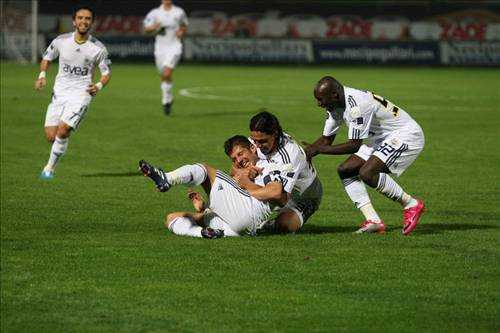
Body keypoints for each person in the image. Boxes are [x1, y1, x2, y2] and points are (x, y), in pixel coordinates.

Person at [302, 76, 425, 235]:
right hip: (381, 139)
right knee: (346, 170)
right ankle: (373, 221)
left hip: (405, 135)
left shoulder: (356, 106)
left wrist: (318, 150)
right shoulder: (335, 105)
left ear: (334, 95)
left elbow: (353, 145)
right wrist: (305, 153)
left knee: (367, 172)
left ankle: (411, 204)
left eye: (320, 99)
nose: (318, 103)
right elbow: (326, 139)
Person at [138, 136, 291, 238]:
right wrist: (204, 207)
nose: (239, 160)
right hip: (237, 226)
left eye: (241, 153)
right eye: (234, 158)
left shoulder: (268, 166)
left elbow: (278, 194)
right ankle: (202, 233)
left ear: (252, 148)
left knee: (206, 170)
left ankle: (168, 178)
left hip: (250, 212)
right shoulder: (242, 170)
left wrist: (246, 183)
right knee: (172, 218)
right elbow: (234, 191)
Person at [35, 5, 111, 179]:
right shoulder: (61, 41)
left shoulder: (98, 48)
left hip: (81, 94)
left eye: (87, 19)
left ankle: (49, 169)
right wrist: (42, 75)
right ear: (74, 21)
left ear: (92, 22)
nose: (84, 21)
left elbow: (106, 73)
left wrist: (98, 86)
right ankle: (58, 148)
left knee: (63, 130)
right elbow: (47, 57)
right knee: (51, 136)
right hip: (59, 93)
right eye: (80, 18)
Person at [247, 111, 323, 233]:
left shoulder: (289, 156)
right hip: (275, 186)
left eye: (262, 141)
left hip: (304, 196)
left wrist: (246, 189)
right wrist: (247, 171)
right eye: (255, 140)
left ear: (275, 134)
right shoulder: (253, 142)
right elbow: (235, 169)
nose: (258, 146)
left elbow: (281, 198)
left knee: (285, 225)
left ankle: (269, 224)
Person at [143, 0, 188, 115]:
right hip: (160, 49)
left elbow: (184, 25)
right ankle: (168, 98)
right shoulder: (154, 13)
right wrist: (154, 27)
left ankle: (165, 101)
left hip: (175, 46)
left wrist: (182, 32)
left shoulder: (179, 12)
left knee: (167, 73)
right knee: (163, 75)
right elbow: (146, 29)